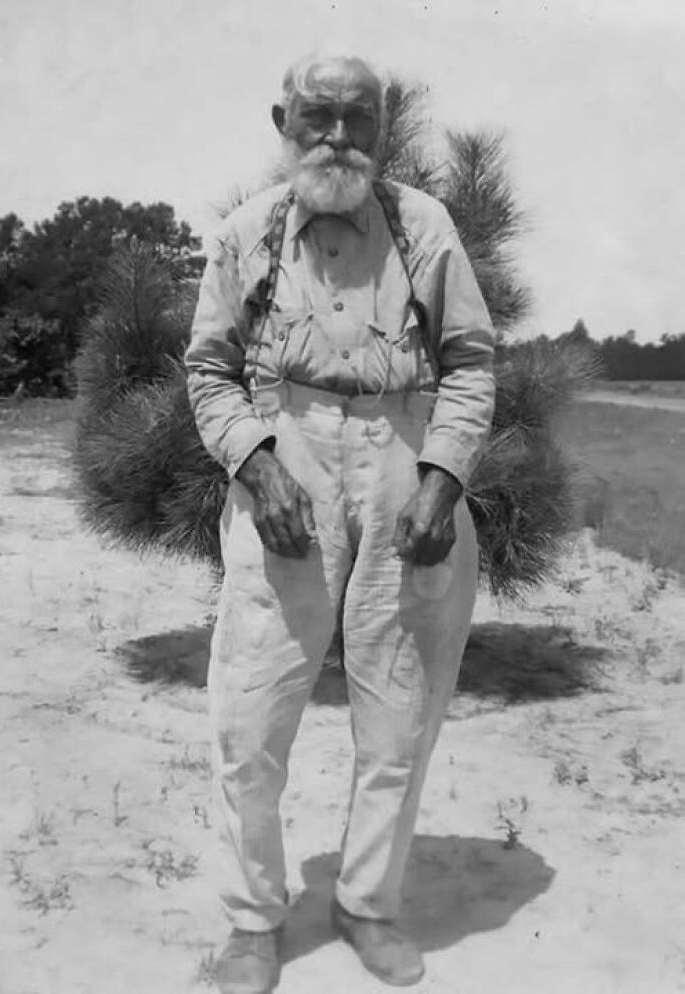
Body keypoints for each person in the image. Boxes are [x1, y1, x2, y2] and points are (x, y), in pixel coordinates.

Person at [185, 51, 496, 994]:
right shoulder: (246, 231)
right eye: (317, 116)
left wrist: (443, 477)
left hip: (408, 463)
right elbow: (208, 368)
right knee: (249, 718)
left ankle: (366, 903)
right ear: (282, 119)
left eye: (358, 119)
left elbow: (472, 361)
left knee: (399, 719)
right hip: (287, 463)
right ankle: (251, 922)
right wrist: (255, 463)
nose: (337, 138)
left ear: (383, 124)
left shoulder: (423, 225)